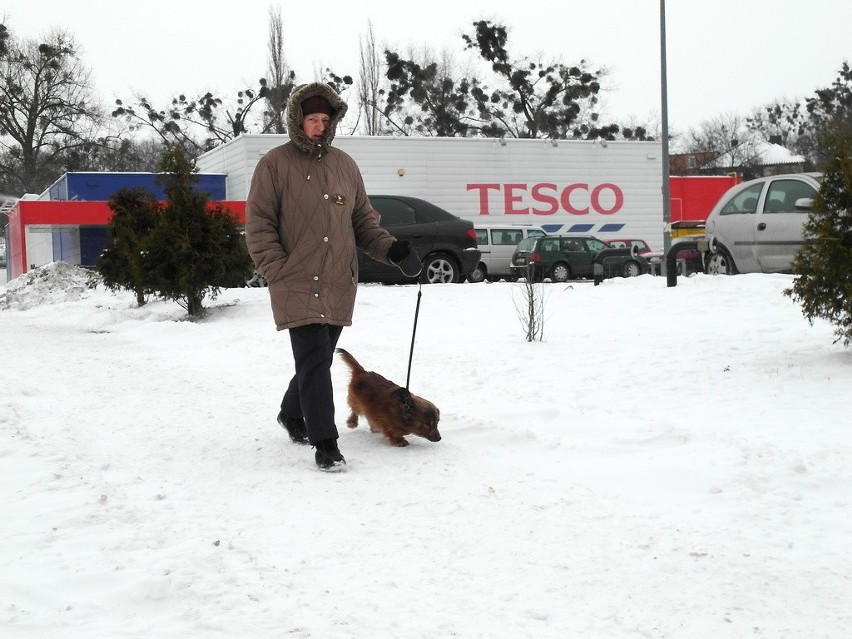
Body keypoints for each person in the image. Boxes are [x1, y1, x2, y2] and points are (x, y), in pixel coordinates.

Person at [245, 82, 419, 470]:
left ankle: (292, 413)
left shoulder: (345, 165)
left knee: (317, 361)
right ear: (297, 120)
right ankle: (326, 443)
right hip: (295, 279)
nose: (320, 126)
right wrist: (277, 269)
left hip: (338, 280)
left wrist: (392, 249)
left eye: (325, 119)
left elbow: (361, 221)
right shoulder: (274, 164)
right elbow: (259, 225)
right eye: (312, 119)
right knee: (312, 358)